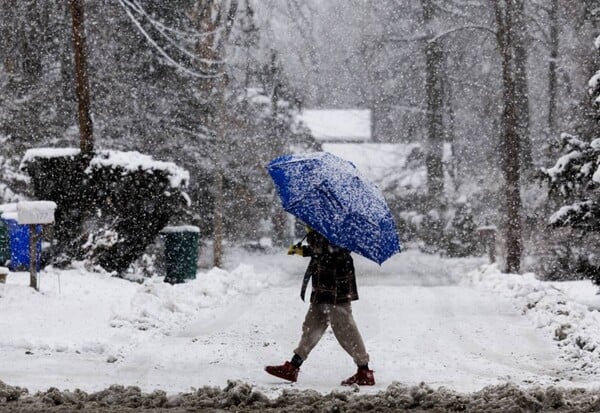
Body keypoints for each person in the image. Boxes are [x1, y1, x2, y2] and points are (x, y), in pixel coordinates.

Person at [265, 227, 375, 386]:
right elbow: (323, 249)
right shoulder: (325, 221)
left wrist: (313, 237)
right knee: (312, 324)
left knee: (344, 326)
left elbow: (333, 249)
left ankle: (364, 370)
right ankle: (294, 366)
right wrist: (304, 249)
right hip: (323, 279)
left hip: (336, 280)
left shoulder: (337, 223)